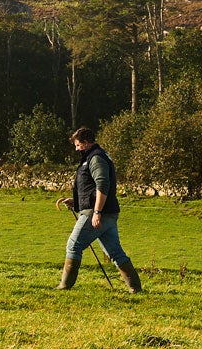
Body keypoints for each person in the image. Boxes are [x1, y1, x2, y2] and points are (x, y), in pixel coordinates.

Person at [60, 125, 143, 293]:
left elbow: (102, 184)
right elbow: (90, 188)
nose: (76, 149)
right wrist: (76, 202)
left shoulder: (95, 158)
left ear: (85, 143)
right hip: (108, 213)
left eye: (77, 145)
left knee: (73, 245)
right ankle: (135, 288)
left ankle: (64, 286)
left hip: (97, 213)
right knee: (114, 252)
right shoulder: (96, 156)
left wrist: (97, 212)